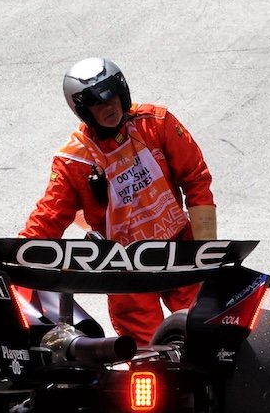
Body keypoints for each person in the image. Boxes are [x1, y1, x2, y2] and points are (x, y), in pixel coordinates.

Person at [20, 58, 216, 347]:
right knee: (148, 355)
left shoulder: (158, 123)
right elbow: (48, 218)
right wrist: (14, 258)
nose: (109, 107)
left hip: (180, 253)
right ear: (82, 110)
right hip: (125, 271)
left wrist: (206, 253)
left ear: (121, 92)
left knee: (205, 336)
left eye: (111, 97)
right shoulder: (73, 161)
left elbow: (196, 178)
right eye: (97, 104)